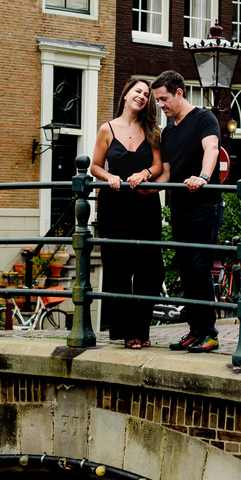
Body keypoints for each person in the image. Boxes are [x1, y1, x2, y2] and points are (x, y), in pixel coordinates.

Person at [89, 77, 164, 349]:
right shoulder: (107, 129)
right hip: (115, 205)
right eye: (138, 91)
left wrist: (145, 173)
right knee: (118, 269)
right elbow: (94, 166)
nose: (142, 96)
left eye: (146, 94)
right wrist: (108, 176)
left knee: (150, 270)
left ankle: (141, 330)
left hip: (145, 206)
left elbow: (157, 166)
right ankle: (126, 333)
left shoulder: (153, 130)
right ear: (126, 94)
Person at [151, 70, 221, 353]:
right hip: (178, 206)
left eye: (164, 99)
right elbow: (166, 173)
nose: (160, 105)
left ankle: (210, 333)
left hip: (204, 205)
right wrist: (142, 185)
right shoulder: (168, 131)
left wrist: (203, 177)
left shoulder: (204, 118)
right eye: (157, 100)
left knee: (199, 267)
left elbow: (212, 148)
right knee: (185, 269)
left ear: (179, 92)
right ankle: (195, 331)